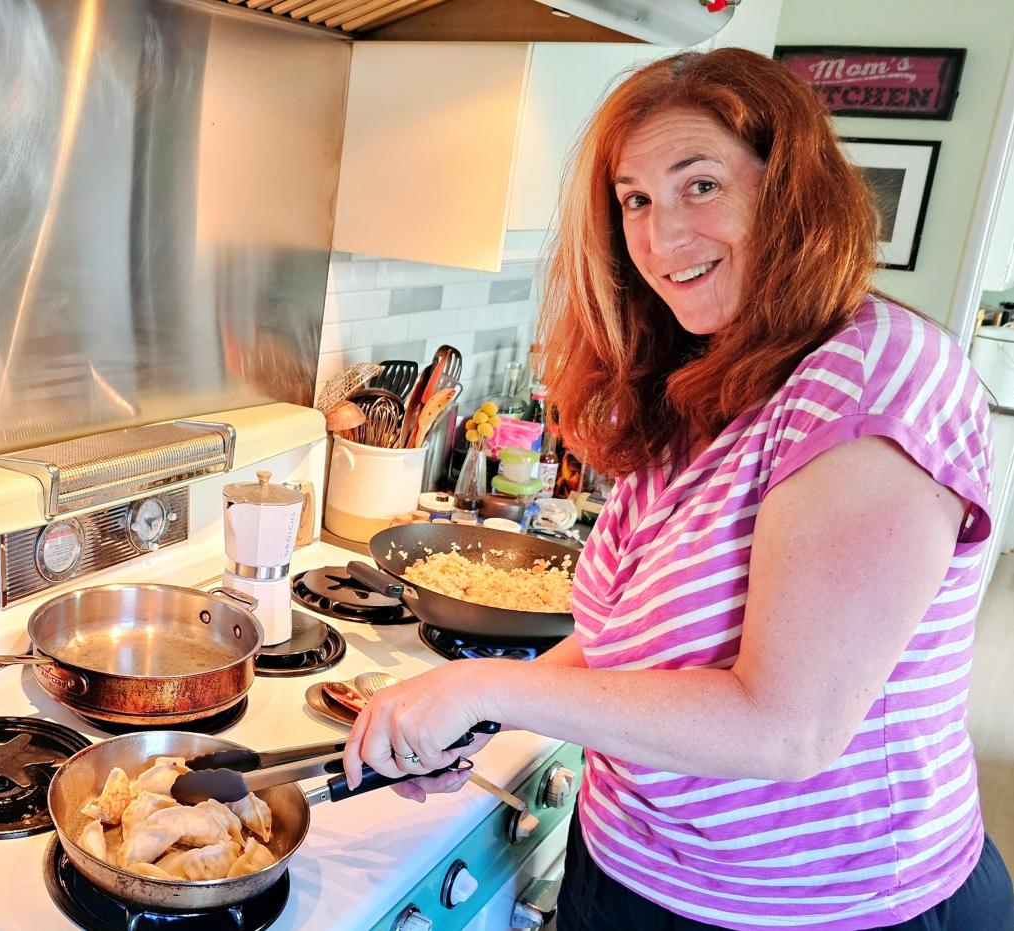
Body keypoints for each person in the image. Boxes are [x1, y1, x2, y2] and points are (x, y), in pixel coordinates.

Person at [343, 47, 1014, 930]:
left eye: (699, 185)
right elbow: (632, 645)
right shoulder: (708, 378)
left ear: (789, 189)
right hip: (629, 871)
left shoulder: (872, 378)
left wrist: (485, 691)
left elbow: (786, 728)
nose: (661, 238)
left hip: (824, 906)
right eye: (635, 200)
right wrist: (478, 724)